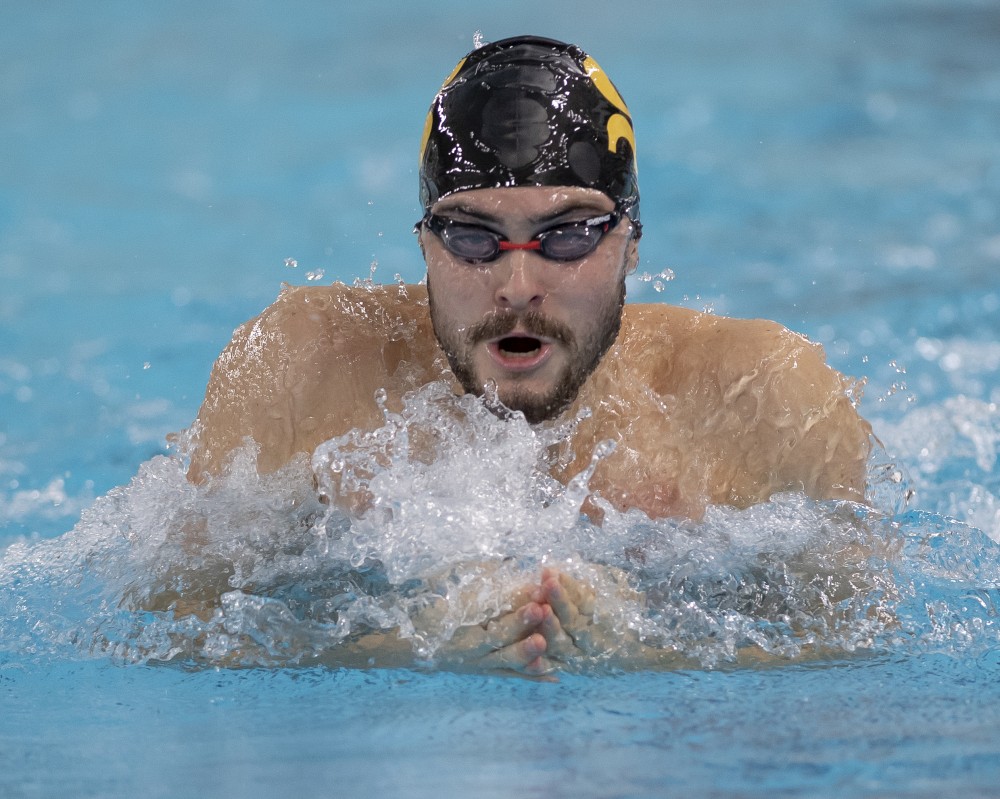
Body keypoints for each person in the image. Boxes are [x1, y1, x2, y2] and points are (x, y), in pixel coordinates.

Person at [182, 36, 873, 675]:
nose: (517, 288)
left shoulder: (761, 395)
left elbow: (858, 645)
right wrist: (405, 643)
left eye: (567, 236)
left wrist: (646, 651)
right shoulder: (302, 369)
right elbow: (170, 619)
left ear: (630, 242)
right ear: (424, 243)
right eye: (474, 238)